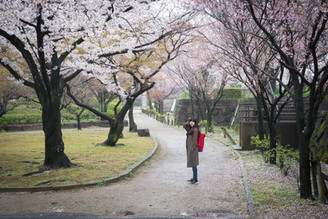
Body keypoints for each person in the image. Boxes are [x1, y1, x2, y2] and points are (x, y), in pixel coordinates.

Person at [183, 118, 199, 184]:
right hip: (190, 148)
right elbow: (184, 125)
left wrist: (192, 148)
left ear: (195, 123)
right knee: (192, 164)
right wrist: (188, 122)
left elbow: (195, 140)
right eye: (190, 121)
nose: (191, 123)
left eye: (193, 122)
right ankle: (194, 177)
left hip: (193, 149)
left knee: (194, 164)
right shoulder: (190, 129)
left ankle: (195, 178)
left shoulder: (195, 130)